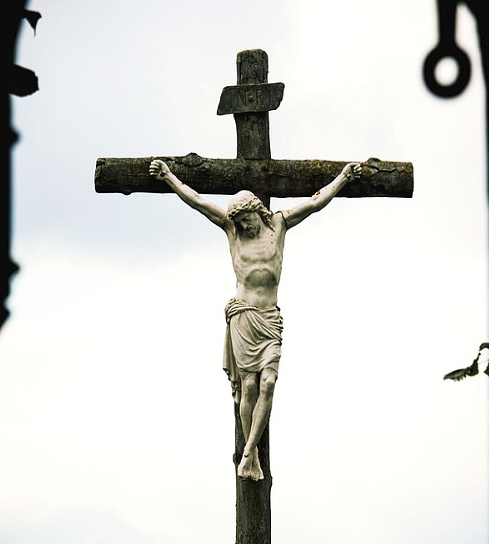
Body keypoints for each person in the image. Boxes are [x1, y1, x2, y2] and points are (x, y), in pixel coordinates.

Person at [149, 159, 362, 480]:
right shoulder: (232, 231)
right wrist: (168, 177)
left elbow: (315, 202)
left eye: (247, 219)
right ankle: (252, 455)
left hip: (269, 318)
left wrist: (343, 177)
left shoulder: (279, 224)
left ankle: (249, 451)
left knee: (269, 382)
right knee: (249, 386)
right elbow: (198, 202)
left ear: (257, 211)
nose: (245, 227)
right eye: (240, 222)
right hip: (244, 316)